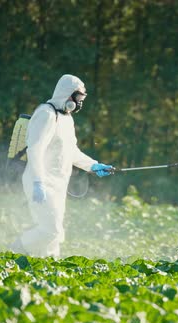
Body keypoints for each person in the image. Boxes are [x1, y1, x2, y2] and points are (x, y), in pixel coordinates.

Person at [10, 74, 113, 257]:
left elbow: (72, 152)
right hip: (41, 182)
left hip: (58, 185)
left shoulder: (67, 118)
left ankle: (44, 272)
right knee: (51, 230)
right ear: (67, 94)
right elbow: (35, 150)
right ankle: (15, 250)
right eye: (78, 98)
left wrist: (94, 166)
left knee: (55, 237)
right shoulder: (46, 113)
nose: (79, 103)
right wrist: (38, 182)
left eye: (82, 99)